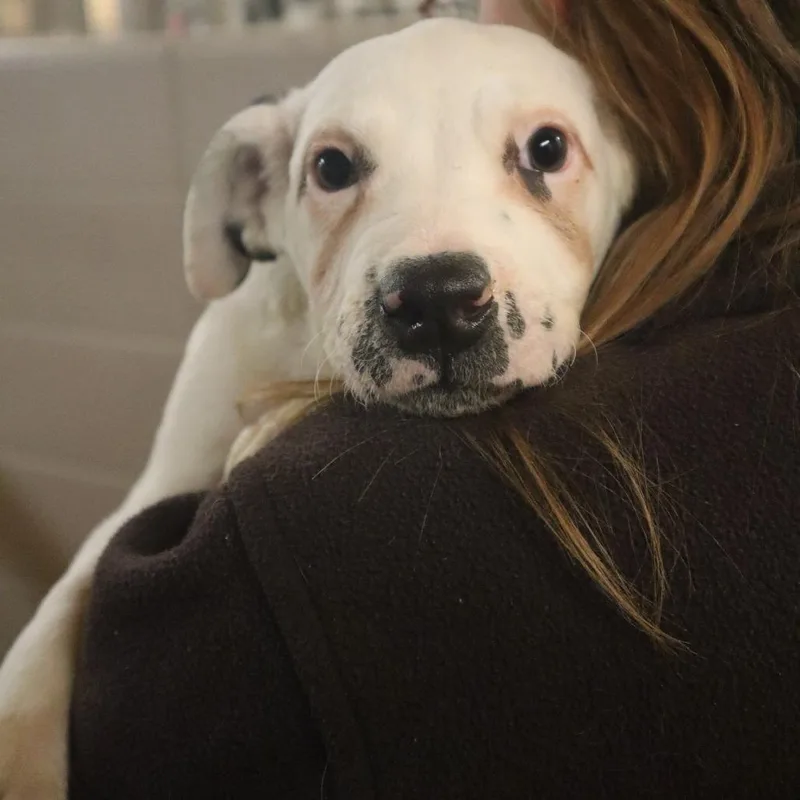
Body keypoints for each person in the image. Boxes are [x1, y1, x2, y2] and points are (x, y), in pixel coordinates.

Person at [68, 1, 800, 797]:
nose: (440, 284)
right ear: (258, 202)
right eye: (339, 170)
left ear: (640, 168)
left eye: (542, 152)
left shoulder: (284, 554)